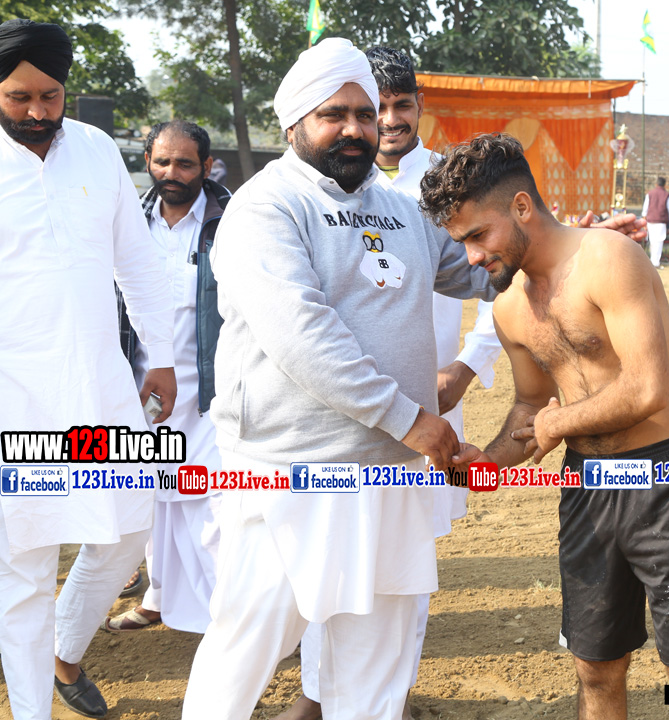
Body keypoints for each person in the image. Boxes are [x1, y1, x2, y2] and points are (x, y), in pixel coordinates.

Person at [180, 38, 499, 720]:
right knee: (248, 646)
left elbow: (482, 269)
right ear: (295, 122)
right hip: (291, 467)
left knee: (377, 664)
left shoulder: (402, 209)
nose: (355, 128)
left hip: (390, 471)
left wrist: (572, 244)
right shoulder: (266, 207)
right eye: (334, 114)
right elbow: (303, 334)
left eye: (363, 113)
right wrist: (410, 420)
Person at [419, 132, 669, 720]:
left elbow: (648, 387)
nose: (471, 257)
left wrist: (560, 421)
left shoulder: (608, 259)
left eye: (477, 235)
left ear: (521, 207)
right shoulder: (509, 306)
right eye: (461, 242)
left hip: (665, 481)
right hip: (587, 488)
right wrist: (487, 461)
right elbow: (529, 407)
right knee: (594, 668)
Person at [278, 45, 503, 720]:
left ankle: (388, 694)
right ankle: (318, 693)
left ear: (418, 108)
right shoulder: (314, 190)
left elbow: (498, 270)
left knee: (406, 563)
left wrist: (467, 367)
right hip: (335, 415)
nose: (389, 119)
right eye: (376, 107)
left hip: (429, 412)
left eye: (401, 105)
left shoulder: (449, 182)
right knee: (331, 563)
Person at [0, 19, 178, 720]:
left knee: (130, 521)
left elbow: (136, 261)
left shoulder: (97, 149)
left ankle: (63, 647)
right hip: (13, 394)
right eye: (18, 98)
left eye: (50, 96)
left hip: (99, 382)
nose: (37, 112)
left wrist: (161, 354)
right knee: (23, 566)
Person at [105, 120, 231, 634]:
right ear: (147, 162)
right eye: (162, 162)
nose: (171, 173)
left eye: (184, 163)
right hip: (142, 391)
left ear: (206, 166)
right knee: (153, 501)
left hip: (213, 392)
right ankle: (158, 598)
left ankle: (238, 616)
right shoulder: (126, 221)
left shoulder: (232, 221)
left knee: (218, 509)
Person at [641, 176, 669, 268]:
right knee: (659, 242)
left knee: (652, 241)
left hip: (650, 221)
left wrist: (644, 222)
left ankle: (652, 261)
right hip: (661, 222)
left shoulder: (650, 194)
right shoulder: (667, 195)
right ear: (664, 185)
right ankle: (655, 262)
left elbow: (645, 210)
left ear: (656, 184)